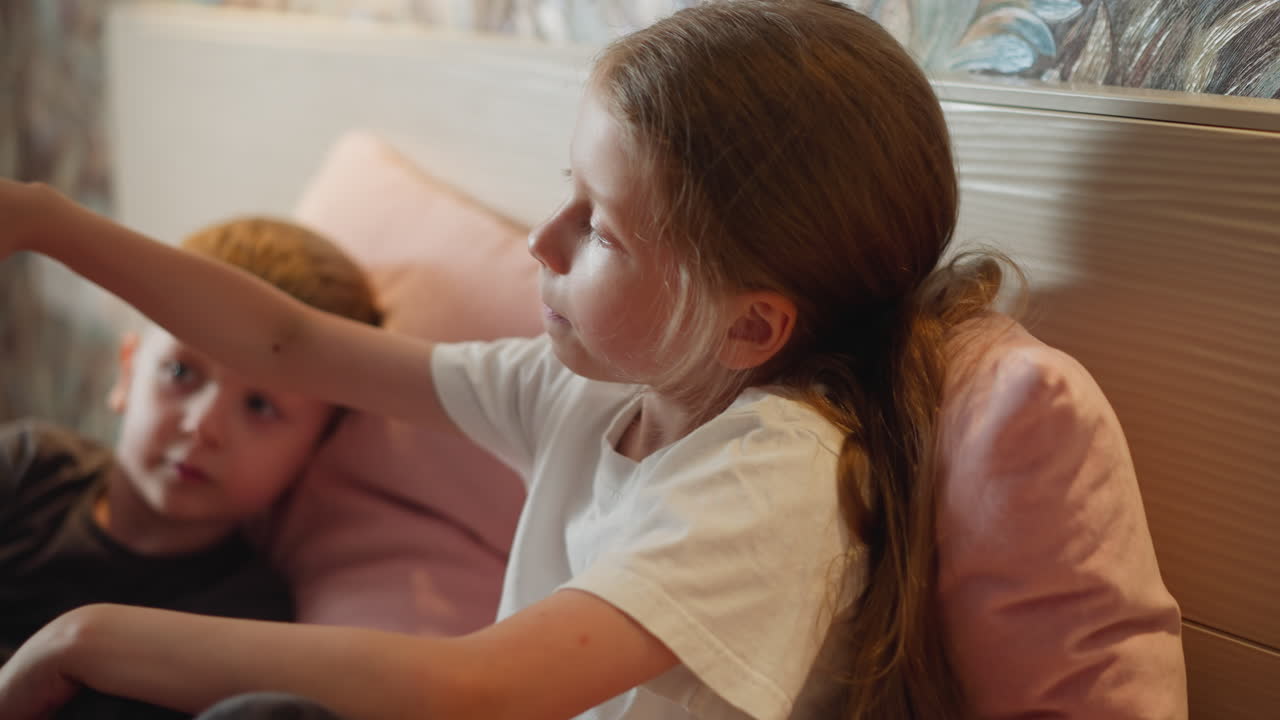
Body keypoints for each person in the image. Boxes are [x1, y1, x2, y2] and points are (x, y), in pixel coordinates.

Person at [0, 1, 1184, 719]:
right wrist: (50, 221)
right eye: (567, 192)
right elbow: (291, 342)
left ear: (748, 326)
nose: (541, 240)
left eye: (598, 228)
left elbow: (478, 691)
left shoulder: (772, 482)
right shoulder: (597, 387)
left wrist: (90, 634)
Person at [0, 218, 381, 719]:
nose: (203, 426)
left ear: (315, 447)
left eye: (260, 406)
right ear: (128, 370)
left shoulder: (248, 621)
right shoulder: (28, 467)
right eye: (180, 372)